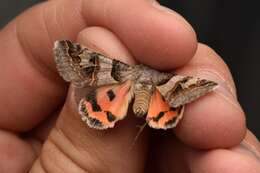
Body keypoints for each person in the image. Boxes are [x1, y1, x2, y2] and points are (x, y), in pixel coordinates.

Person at [0, 0, 259, 172]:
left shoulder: (121, 68)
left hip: (122, 88)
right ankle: (154, 114)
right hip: (156, 94)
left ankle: (121, 112)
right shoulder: (162, 76)